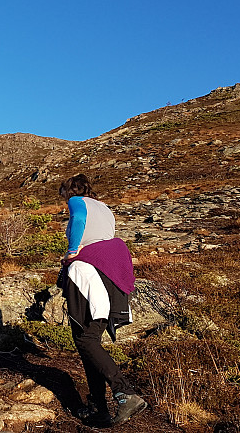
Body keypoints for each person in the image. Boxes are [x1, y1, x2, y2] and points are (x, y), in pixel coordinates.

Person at [57, 174, 148, 426]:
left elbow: (78, 219)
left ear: (70, 191)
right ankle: (99, 407)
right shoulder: (106, 208)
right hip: (109, 273)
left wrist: (72, 249)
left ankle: (124, 392)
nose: (65, 200)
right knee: (90, 341)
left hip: (86, 272)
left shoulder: (77, 201)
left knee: (85, 338)